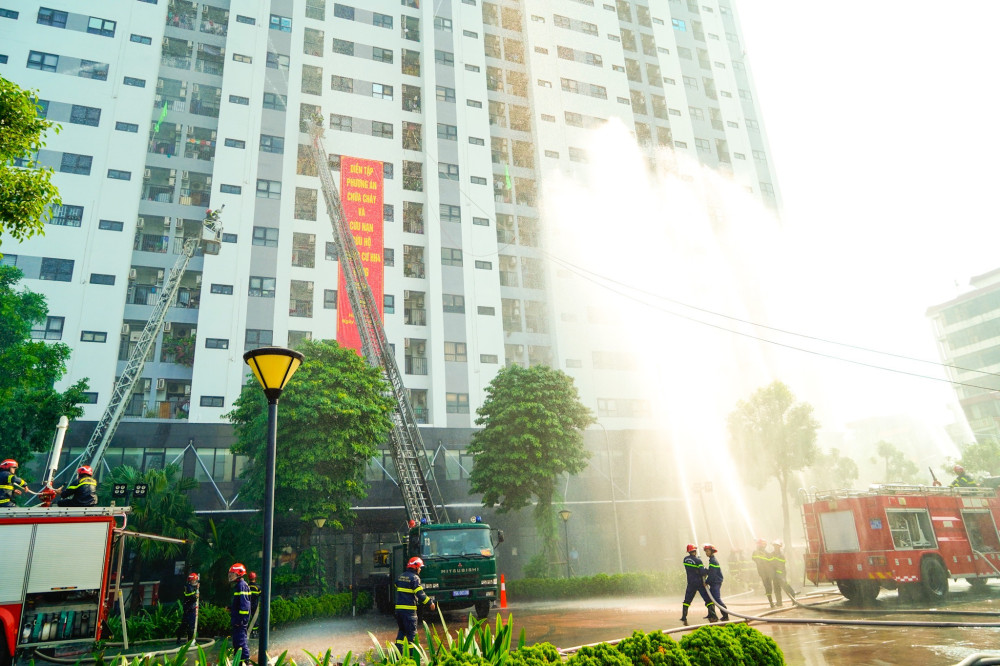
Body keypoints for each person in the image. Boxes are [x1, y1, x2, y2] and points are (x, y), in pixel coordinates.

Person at [394, 556, 435, 650]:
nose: (420, 569)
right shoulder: (415, 578)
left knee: (401, 631)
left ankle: (397, 654)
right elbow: (420, 594)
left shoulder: (400, 576)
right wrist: (430, 603)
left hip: (399, 611)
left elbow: (396, 584)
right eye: (420, 567)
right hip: (409, 612)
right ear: (415, 567)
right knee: (411, 634)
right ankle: (412, 655)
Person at [680, 543, 716, 625]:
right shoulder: (698, 561)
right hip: (699, 583)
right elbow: (702, 572)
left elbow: (691, 568)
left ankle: (683, 617)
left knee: (687, 600)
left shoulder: (685, 559)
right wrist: (706, 570)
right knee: (708, 599)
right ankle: (713, 615)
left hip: (690, 583)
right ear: (694, 551)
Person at [228, 563, 251, 665]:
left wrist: (241, 621)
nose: (230, 576)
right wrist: (231, 608)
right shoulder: (239, 586)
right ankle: (239, 662)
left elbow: (245, 607)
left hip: (240, 622)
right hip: (237, 621)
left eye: (232, 574)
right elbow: (238, 604)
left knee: (241, 643)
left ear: (239, 574)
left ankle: (245, 661)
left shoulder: (242, 586)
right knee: (237, 643)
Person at [703, 544, 729, 621]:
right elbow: (711, 571)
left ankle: (725, 615)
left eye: (707, 551)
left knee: (716, 599)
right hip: (715, 582)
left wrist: (707, 582)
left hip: (715, 582)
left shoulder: (713, 561)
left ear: (711, 551)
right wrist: (705, 571)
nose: (706, 553)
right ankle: (712, 615)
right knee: (711, 599)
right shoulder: (712, 560)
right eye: (705, 551)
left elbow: (713, 574)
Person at [770, 539, 796, 606]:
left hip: (781, 574)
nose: (775, 547)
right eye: (775, 546)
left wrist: (780, 575)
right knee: (776, 589)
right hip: (774, 575)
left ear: (779, 547)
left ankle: (793, 596)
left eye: (777, 546)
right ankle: (779, 603)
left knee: (785, 587)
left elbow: (781, 566)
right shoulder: (771, 554)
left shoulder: (781, 555)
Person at [176, 572, 199, 644]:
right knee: (187, 625)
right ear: (190, 580)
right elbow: (192, 597)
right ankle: (188, 641)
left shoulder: (190, 587)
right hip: (189, 609)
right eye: (194, 580)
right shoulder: (188, 587)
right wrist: (196, 594)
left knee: (188, 625)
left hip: (190, 609)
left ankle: (188, 640)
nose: (195, 582)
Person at [752, 538, 776, 608]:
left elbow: (770, 560)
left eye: (764, 544)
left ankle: (771, 601)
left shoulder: (765, 552)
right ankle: (771, 602)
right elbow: (756, 559)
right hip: (763, 573)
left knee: (769, 587)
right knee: (767, 587)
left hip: (768, 572)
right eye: (763, 544)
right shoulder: (756, 552)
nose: (764, 546)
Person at [247, 572, 261, 637]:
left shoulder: (246, 586)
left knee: (247, 618)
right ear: (255, 578)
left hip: (247, 605)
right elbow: (260, 595)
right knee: (255, 619)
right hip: (255, 605)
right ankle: (254, 632)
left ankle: (247, 632)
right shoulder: (258, 587)